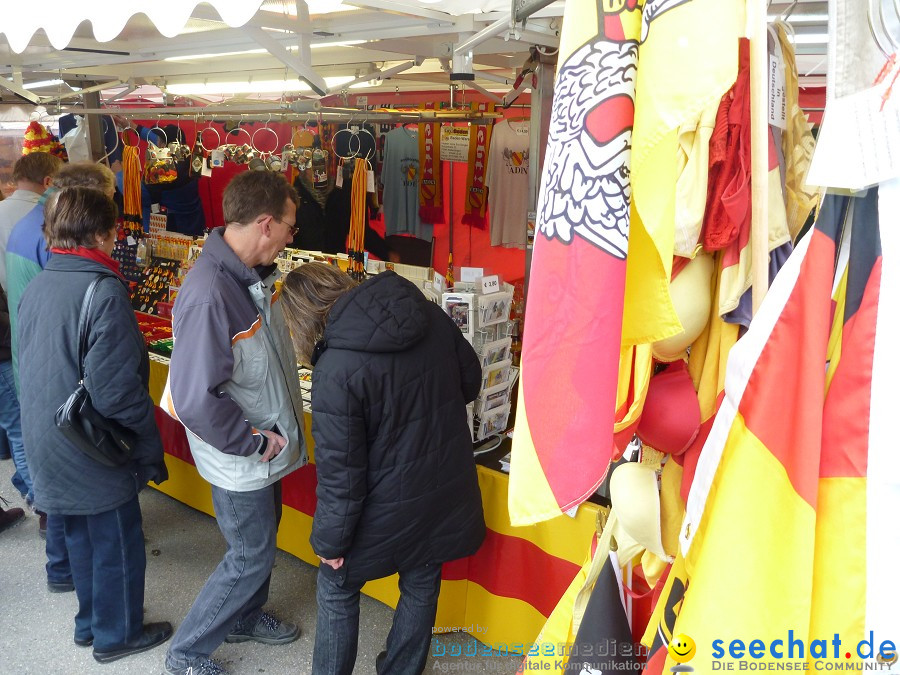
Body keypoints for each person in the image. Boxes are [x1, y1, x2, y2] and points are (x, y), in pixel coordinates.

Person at [280, 263, 486, 675]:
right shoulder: (426, 312)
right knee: (423, 578)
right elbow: (471, 381)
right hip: (442, 484)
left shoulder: (335, 369)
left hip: (383, 504)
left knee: (337, 587)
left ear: (302, 321)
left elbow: (342, 476)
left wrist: (330, 544)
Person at [17, 186, 172, 662]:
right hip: (91, 443)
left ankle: (90, 624)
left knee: (83, 537)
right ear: (105, 235)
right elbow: (118, 392)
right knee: (117, 543)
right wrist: (147, 450)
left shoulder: (42, 281)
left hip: (49, 432)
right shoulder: (102, 289)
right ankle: (117, 635)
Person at [163, 171, 307, 675]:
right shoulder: (210, 295)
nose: (293, 236)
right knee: (248, 556)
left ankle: (245, 616)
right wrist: (251, 442)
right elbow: (195, 399)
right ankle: (186, 653)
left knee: (260, 545)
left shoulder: (244, 278)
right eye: (290, 226)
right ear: (265, 223)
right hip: (243, 457)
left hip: (262, 452)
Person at [5, 164, 117, 596]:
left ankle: (60, 567)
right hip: (57, 380)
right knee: (68, 488)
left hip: (32, 366)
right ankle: (67, 568)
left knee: (54, 481)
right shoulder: (54, 249)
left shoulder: (32, 228)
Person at [0, 152, 62, 525]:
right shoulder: (35, 223)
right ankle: (44, 506)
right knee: (20, 427)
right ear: (47, 181)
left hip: (15, 328)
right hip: (12, 339)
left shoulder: (15, 218)